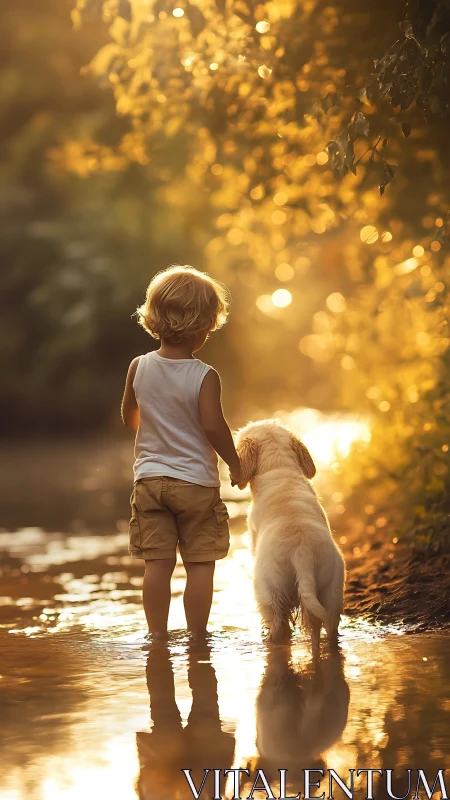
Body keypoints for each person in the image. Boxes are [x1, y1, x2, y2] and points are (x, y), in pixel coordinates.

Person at [121, 265, 241, 639]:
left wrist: (158, 419)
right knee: (200, 564)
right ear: (206, 325)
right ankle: (197, 638)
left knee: (156, 565)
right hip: (196, 485)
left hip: (150, 481)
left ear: (153, 318)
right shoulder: (204, 375)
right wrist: (234, 463)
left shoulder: (139, 366)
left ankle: (156, 637)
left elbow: (130, 418)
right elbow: (212, 426)